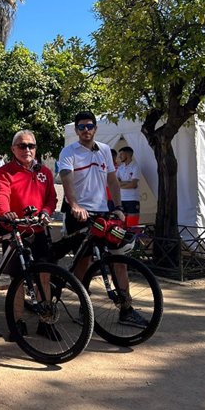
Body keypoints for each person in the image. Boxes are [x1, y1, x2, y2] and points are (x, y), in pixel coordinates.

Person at [58, 111, 149, 328]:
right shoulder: (68, 152)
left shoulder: (105, 150)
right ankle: (83, 308)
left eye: (89, 126)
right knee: (84, 262)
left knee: (118, 259)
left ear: (95, 128)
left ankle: (126, 309)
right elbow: (66, 179)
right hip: (80, 214)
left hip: (102, 214)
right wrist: (74, 205)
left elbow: (112, 180)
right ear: (76, 130)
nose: (85, 130)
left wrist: (117, 207)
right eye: (81, 127)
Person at [0, 130, 59, 341]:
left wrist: (46, 212)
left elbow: (51, 198)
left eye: (30, 146)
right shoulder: (5, 172)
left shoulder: (45, 172)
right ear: (13, 149)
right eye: (22, 146)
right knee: (17, 279)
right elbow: (1, 194)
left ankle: (45, 322)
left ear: (35, 149)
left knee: (44, 275)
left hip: (38, 230)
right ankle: (17, 322)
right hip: (14, 231)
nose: (27, 149)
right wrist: (5, 213)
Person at [117, 146, 141, 227]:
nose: (119, 156)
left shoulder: (135, 166)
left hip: (132, 199)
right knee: (121, 225)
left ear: (127, 154)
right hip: (121, 199)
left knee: (132, 225)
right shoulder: (120, 168)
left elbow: (133, 184)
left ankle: (134, 240)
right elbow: (116, 183)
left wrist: (121, 184)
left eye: (121, 154)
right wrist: (128, 183)